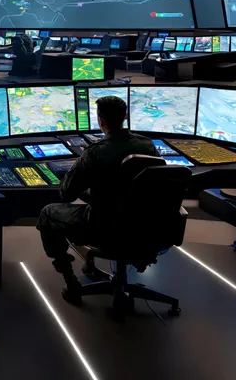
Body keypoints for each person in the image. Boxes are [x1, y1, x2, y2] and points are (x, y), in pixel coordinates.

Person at [36, 96, 159, 305]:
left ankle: (71, 282)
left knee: (48, 213)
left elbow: (66, 194)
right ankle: (94, 262)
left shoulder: (95, 152)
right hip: (145, 228)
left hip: (102, 228)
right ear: (125, 117)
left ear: (100, 120)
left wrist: (75, 170)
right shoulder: (147, 146)